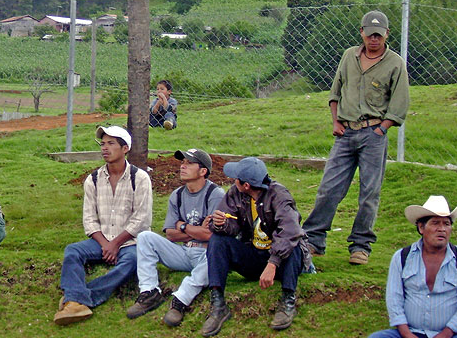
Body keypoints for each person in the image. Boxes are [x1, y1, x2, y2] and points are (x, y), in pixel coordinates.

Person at [303, 10, 410, 265]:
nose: (374, 39)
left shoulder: (395, 63)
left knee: (369, 192)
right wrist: (335, 121)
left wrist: (381, 128)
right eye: (369, 34)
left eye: (378, 35)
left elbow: (400, 102)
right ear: (361, 33)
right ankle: (313, 239)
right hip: (345, 132)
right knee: (329, 188)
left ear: (386, 35)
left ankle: (361, 246)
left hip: (373, 134)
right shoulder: (349, 56)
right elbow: (336, 90)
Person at [53, 125, 153, 325]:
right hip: (101, 240)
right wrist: (105, 243)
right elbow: (89, 219)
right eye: (103, 144)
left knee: (131, 262)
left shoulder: (139, 178)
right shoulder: (93, 179)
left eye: (111, 144)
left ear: (125, 149)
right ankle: (77, 300)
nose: (104, 148)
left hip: (130, 242)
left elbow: (141, 219)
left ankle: (78, 299)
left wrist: (115, 243)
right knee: (73, 251)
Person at [202, 157, 308, 336]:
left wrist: (273, 263)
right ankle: (218, 304)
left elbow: (291, 231)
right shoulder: (235, 193)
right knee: (217, 241)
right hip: (254, 254)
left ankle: (288, 300)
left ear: (246, 185)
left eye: (236, 178)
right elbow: (230, 225)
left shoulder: (279, 195)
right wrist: (220, 224)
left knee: (294, 245)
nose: (233, 181)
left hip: (280, 261)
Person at [126, 148, 224, 326]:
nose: (182, 166)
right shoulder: (177, 195)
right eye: (182, 162)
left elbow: (210, 235)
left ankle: (180, 301)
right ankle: (149, 291)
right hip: (184, 251)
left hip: (206, 255)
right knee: (145, 237)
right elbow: (170, 234)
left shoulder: (215, 194)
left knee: (216, 258)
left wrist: (183, 225)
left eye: (189, 163)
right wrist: (193, 230)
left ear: (203, 171)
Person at [369, 195, 457, 338]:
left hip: (451, 335)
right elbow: (394, 299)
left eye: (446, 224)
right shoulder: (402, 257)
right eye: (435, 223)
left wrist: (446, 334)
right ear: (421, 227)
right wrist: (407, 334)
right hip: (409, 333)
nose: (442, 229)